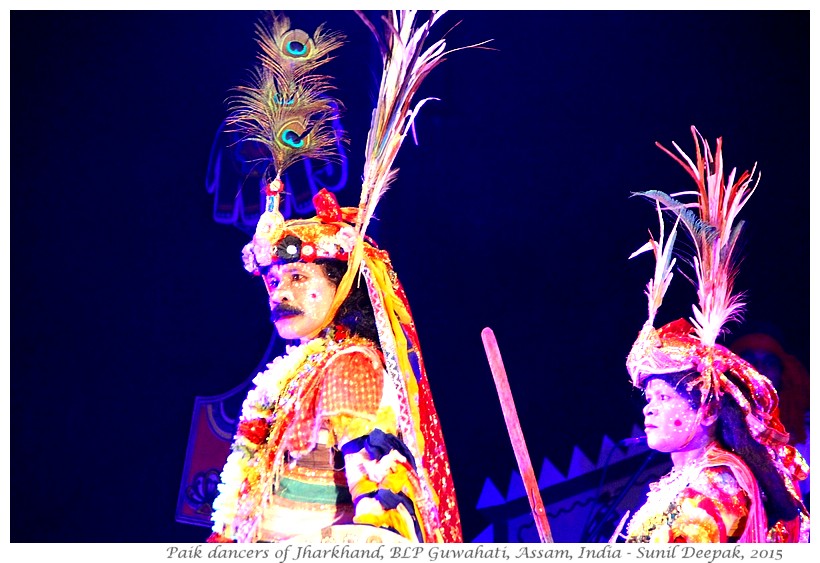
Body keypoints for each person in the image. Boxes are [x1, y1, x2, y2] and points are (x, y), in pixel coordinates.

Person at [206, 10, 470, 543]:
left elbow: (383, 512)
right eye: (274, 282)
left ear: (342, 285)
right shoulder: (289, 381)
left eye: (300, 277)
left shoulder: (350, 365)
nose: (281, 292)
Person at [621, 126, 809, 543]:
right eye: (650, 399)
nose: (648, 410)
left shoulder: (720, 480)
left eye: (664, 398)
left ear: (706, 410)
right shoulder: (673, 484)